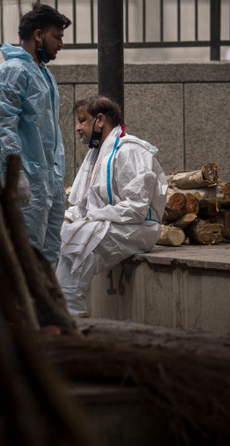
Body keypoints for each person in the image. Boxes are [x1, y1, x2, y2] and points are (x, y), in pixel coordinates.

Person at [56, 96, 167, 316]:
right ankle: (59, 308)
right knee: (59, 233)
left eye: (82, 120)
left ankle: (71, 312)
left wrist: (92, 218)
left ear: (99, 120)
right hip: (108, 224)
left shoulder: (129, 150)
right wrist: (68, 218)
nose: (77, 128)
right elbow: (84, 204)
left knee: (80, 240)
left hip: (139, 227)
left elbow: (136, 209)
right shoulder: (95, 155)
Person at [0, 3, 71, 268]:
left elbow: (49, 130)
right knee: (25, 255)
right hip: (27, 182)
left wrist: (55, 176)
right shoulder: (13, 71)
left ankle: (42, 309)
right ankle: (20, 310)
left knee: (49, 252)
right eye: (58, 36)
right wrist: (16, 173)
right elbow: (3, 124)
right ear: (38, 35)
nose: (61, 44)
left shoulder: (44, 75)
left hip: (46, 181)